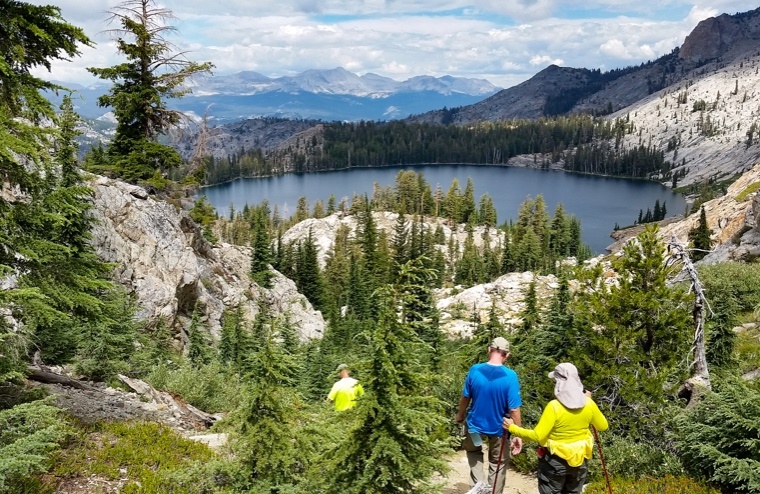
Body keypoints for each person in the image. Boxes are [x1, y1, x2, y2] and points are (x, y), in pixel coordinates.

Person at [504, 362, 608, 494]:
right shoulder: (589, 404)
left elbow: (537, 436)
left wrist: (512, 428)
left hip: (555, 461)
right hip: (581, 459)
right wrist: (589, 401)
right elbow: (603, 426)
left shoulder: (554, 406)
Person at [456, 337, 523, 494]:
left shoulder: (475, 370)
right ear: (507, 355)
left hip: (474, 427)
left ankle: (480, 486)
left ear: (489, 350)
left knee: (474, 452)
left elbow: (466, 397)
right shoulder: (510, 376)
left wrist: (460, 415)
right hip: (499, 430)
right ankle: (492, 491)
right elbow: (514, 409)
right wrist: (518, 432)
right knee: (497, 463)